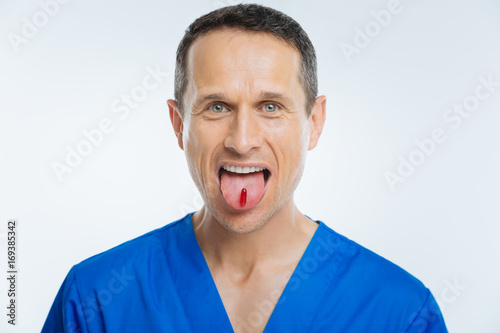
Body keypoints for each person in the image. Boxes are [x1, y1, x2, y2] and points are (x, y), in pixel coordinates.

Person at [42, 4, 448, 332]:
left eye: (270, 107)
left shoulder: (399, 312)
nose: (241, 140)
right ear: (179, 124)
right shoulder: (95, 300)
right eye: (217, 107)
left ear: (315, 122)